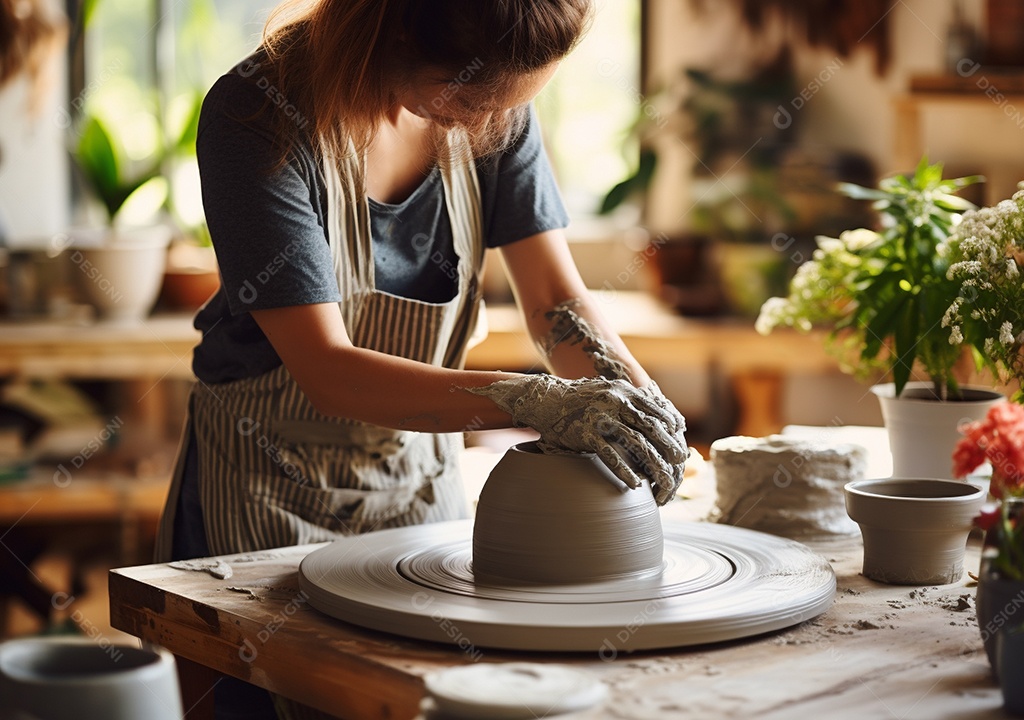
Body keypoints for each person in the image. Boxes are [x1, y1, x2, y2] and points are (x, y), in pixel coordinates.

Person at [156, 1, 688, 717]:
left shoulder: (494, 103)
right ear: (399, 33)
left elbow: (554, 300)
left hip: (418, 473)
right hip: (267, 482)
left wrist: (635, 404)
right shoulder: (258, 113)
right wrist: (538, 401)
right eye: (471, 99)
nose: (487, 123)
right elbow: (327, 369)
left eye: (509, 106)